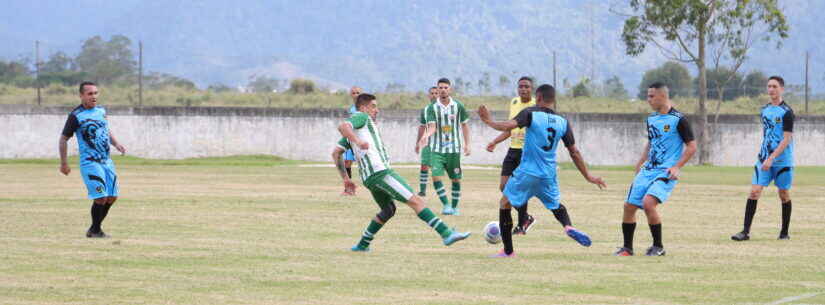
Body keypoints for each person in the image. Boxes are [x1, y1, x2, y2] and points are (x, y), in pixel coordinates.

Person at [478, 84, 606, 258]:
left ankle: (508, 251)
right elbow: (574, 152)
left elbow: (509, 125)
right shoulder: (563, 122)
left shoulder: (530, 113)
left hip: (528, 172)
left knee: (504, 203)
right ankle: (568, 226)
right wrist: (588, 176)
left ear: (537, 98)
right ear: (553, 100)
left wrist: (488, 121)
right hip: (548, 175)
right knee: (555, 205)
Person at [332, 93, 471, 251]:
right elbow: (343, 126)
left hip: (369, 178)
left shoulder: (357, 131)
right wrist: (358, 142)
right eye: (373, 106)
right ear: (363, 108)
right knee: (416, 201)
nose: (377, 110)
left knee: (388, 210)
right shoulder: (362, 118)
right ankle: (446, 233)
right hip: (381, 173)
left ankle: (363, 244)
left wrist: (346, 178)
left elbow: (336, 153)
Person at [614, 82, 696, 257]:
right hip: (648, 170)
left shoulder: (679, 120)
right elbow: (652, 142)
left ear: (663, 96)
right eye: (648, 95)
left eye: (652, 96)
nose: (648, 99)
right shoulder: (651, 119)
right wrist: (640, 162)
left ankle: (658, 246)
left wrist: (677, 167)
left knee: (648, 203)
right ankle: (627, 248)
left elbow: (692, 147)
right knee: (629, 206)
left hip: (665, 172)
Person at [58, 81, 127, 238]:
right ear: (81, 95)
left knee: (112, 196)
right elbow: (63, 139)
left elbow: (105, 129)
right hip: (90, 162)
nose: (94, 96)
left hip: (106, 161)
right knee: (100, 197)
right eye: (90, 94)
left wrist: (116, 143)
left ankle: (94, 229)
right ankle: (96, 231)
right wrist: (64, 163)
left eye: (96, 93)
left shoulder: (101, 111)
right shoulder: (76, 116)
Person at [731, 76, 795, 241]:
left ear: (782, 89)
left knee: (783, 194)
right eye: (769, 86)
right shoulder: (764, 110)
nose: (771, 89)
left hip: (782, 162)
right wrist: (765, 157)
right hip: (763, 160)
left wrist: (772, 158)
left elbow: (786, 139)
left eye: (774, 86)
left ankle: (784, 232)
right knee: (754, 192)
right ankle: (745, 232)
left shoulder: (787, 112)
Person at [486, 76, 538, 235]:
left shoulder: (536, 105)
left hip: (527, 152)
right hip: (512, 151)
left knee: (519, 188)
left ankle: (523, 222)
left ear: (532, 89)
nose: (523, 89)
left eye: (527, 87)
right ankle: (526, 217)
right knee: (503, 186)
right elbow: (510, 128)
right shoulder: (514, 102)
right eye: (521, 86)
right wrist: (495, 141)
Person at [416, 78, 471, 215]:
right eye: (440, 87)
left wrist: (467, 144)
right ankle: (446, 205)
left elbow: (464, 125)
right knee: (435, 176)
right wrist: (425, 136)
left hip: (453, 149)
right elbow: (432, 127)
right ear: (437, 89)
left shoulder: (458, 106)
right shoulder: (431, 108)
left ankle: (455, 207)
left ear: (450, 89)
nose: (442, 90)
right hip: (437, 149)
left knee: (456, 179)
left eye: (445, 87)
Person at [416, 86, 438, 196]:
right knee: (424, 165)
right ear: (429, 95)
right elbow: (422, 127)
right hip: (428, 143)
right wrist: (418, 142)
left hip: (441, 144)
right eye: (432, 93)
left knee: (437, 168)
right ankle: (422, 191)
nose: (434, 95)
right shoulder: (425, 110)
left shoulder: (444, 109)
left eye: (436, 93)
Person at [341, 86, 362, 195]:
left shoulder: (364, 108)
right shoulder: (351, 109)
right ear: (351, 95)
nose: (356, 95)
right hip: (351, 139)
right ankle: (349, 189)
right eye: (353, 93)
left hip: (361, 139)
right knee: (347, 162)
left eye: (358, 93)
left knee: (365, 163)